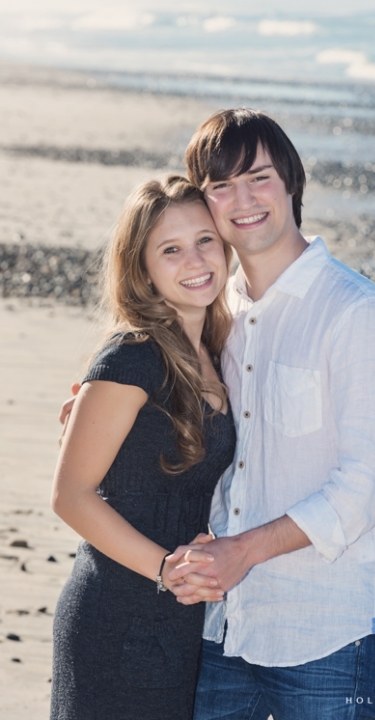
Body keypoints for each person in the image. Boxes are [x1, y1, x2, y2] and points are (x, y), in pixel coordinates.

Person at [165, 109, 375, 720]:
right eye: (221, 185)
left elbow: (365, 488)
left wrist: (243, 552)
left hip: (331, 631)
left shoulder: (355, 313)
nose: (243, 199)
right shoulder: (218, 312)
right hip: (227, 626)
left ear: (290, 185)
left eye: (258, 178)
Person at [50, 176, 236, 719]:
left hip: (180, 622)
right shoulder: (133, 355)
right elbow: (70, 495)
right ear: (143, 269)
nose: (195, 260)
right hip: (117, 614)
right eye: (170, 249)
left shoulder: (219, 352)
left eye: (204, 240)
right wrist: (164, 570)